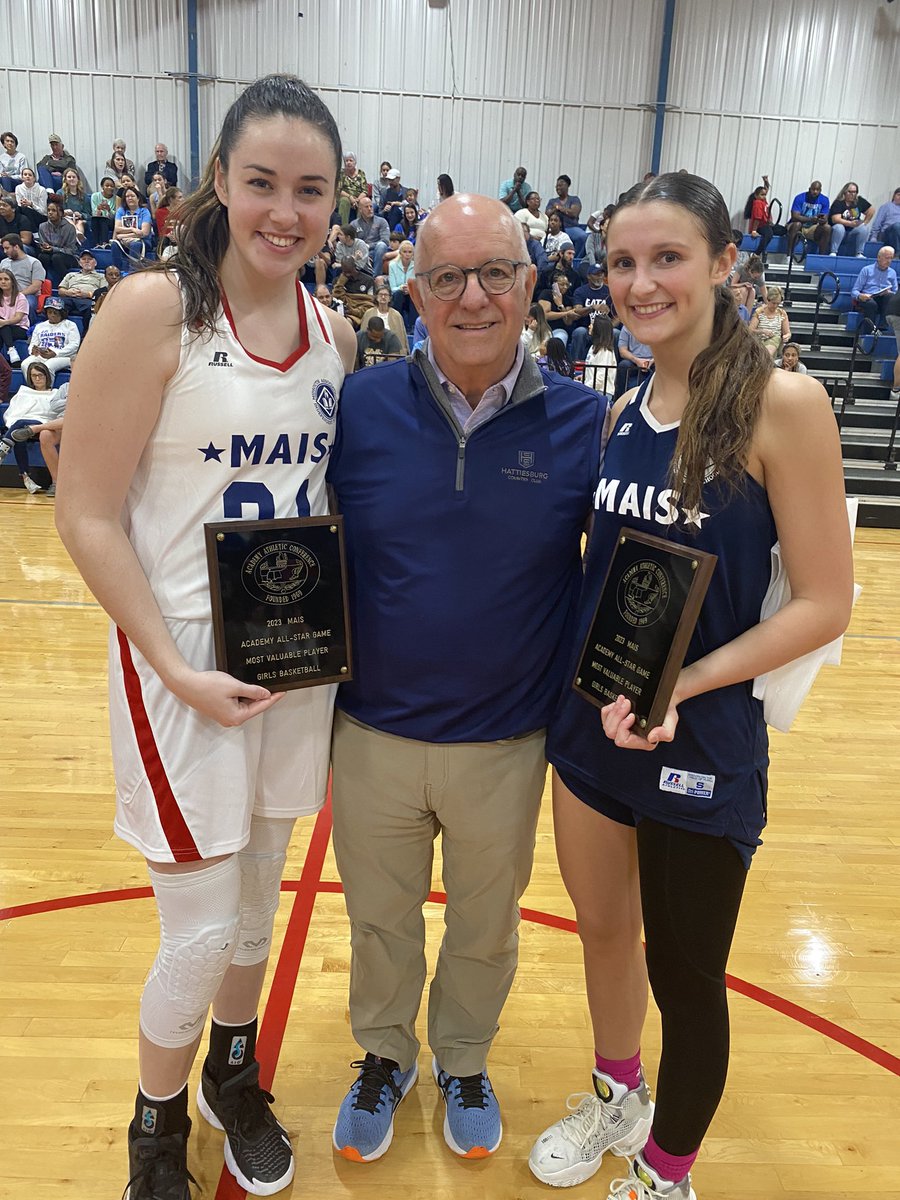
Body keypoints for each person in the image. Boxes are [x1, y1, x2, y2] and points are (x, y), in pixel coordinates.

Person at [54, 73, 355, 1200]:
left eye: (311, 189)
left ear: (338, 202)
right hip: (180, 657)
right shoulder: (152, 311)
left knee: (258, 898)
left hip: (294, 658)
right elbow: (84, 509)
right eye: (264, 181)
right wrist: (172, 665)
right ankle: (154, 1119)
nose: (286, 210)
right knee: (195, 926)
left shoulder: (335, 333)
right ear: (221, 182)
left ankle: (235, 1071)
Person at [528, 171, 852, 1200]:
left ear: (723, 263)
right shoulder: (624, 404)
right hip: (592, 726)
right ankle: (616, 1093)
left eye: (667, 257)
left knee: (686, 975)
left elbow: (827, 602)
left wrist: (689, 683)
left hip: (699, 743)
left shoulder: (782, 404)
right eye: (623, 262)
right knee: (603, 933)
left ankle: (666, 1172)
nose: (640, 282)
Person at [327, 191, 603, 1166]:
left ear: (531, 286)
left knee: (486, 925)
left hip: (506, 743)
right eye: (448, 277)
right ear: (415, 292)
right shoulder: (356, 406)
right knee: (379, 920)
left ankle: (463, 1056)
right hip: (369, 734)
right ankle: (383, 1053)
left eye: (494, 273)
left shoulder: (585, 423)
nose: (473, 296)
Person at [0, 360, 64, 492]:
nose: (37, 378)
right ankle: (26, 477)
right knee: (19, 432)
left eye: (40, 375)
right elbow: (13, 412)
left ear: (47, 376)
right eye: (34, 376)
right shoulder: (24, 392)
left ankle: (3, 448)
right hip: (22, 428)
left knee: (20, 426)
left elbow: (54, 416)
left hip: (44, 427)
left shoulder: (55, 393)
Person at [21, 296, 80, 378]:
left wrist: (55, 353)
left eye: (55, 312)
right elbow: (33, 344)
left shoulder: (70, 325)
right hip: (42, 355)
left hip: (64, 356)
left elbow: (74, 345)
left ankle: (47, 389)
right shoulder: (40, 326)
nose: (52, 315)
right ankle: (34, 389)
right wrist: (33, 350)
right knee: (25, 364)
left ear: (62, 313)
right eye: (49, 312)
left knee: (48, 366)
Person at [570, 264, 613, 361]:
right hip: (586, 328)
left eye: (601, 274)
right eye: (596, 274)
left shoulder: (610, 291)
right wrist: (592, 307)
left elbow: (618, 316)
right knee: (579, 332)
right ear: (589, 276)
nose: (600, 277)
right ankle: (576, 367)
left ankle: (614, 368)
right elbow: (577, 311)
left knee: (615, 333)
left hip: (604, 330)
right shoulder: (581, 291)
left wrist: (609, 327)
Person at [0, 232, 47, 319]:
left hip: (27, 295)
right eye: (3, 249)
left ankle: (29, 330)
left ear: (16, 247)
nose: (5, 251)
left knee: (29, 304)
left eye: (7, 248)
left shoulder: (34, 263)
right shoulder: (3, 262)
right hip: (5, 294)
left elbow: (35, 286)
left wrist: (18, 295)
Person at [36, 197, 81, 284]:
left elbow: (71, 250)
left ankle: (66, 283)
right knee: (42, 257)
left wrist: (53, 249)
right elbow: (42, 244)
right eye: (48, 210)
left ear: (60, 213)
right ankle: (41, 284)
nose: (50, 213)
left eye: (53, 210)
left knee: (56, 257)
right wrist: (44, 247)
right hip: (49, 254)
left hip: (68, 256)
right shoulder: (42, 226)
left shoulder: (70, 228)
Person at [851, 245, 897, 326]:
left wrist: (889, 292)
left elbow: (895, 292)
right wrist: (860, 296)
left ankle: (883, 327)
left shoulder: (892, 272)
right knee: (871, 304)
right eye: (887, 258)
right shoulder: (867, 270)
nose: (889, 261)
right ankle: (870, 330)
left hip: (883, 299)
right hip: (868, 297)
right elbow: (854, 291)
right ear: (879, 257)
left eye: (891, 258)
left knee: (890, 297)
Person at [58, 249, 105, 325]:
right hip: (69, 297)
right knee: (56, 305)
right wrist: (67, 292)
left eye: (89, 259)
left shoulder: (101, 276)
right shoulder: (70, 274)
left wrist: (88, 294)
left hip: (88, 299)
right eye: (83, 259)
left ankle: (86, 333)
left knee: (92, 308)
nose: (86, 261)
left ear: (95, 263)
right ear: (80, 263)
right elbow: (60, 290)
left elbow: (103, 293)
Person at [786, 180, 831, 256]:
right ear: (809, 189)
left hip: (813, 227)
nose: (815, 192)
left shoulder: (824, 200)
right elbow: (795, 216)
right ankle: (788, 255)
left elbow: (825, 217)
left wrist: (821, 220)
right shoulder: (800, 197)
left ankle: (821, 257)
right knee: (797, 224)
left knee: (827, 228)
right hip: (797, 225)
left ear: (820, 190)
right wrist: (810, 219)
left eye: (817, 190)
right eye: (813, 189)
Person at [112, 185, 154, 267]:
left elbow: (144, 233)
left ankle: (133, 271)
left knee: (135, 244)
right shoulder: (121, 211)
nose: (129, 198)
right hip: (125, 240)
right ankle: (117, 270)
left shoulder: (144, 211)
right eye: (127, 196)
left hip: (143, 241)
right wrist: (133, 229)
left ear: (138, 198)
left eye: (132, 196)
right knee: (114, 244)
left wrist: (122, 235)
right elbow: (117, 229)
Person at [829, 183, 874, 256]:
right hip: (839, 230)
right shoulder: (838, 203)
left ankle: (859, 253)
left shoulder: (859, 201)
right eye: (850, 192)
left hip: (852, 230)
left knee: (864, 228)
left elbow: (871, 210)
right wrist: (850, 223)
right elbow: (835, 219)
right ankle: (833, 251)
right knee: (839, 227)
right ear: (844, 192)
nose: (852, 194)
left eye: (854, 192)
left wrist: (865, 222)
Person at [351, 193, 390, 277]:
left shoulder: (382, 221)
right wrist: (363, 248)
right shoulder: (354, 224)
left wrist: (368, 246)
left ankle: (375, 277)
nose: (370, 209)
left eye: (371, 206)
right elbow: (352, 243)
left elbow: (385, 240)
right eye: (366, 207)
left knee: (381, 245)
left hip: (377, 251)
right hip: (361, 252)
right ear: (360, 210)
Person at [749, 284, 790, 356]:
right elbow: (750, 330)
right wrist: (762, 331)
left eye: (778, 303)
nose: (775, 306)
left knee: (774, 341)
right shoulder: (759, 312)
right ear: (768, 300)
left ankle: (766, 356)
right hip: (759, 340)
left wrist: (786, 336)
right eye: (773, 303)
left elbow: (787, 333)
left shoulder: (782, 313)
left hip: (774, 340)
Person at [582, 313, 617, 392]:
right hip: (591, 389)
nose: (589, 326)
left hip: (601, 392)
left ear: (598, 328)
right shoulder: (592, 347)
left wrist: (584, 387)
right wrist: (583, 378)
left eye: (592, 324)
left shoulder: (605, 352)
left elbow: (600, 378)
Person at [0, 266, 30, 359]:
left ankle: (11, 349)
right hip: (3, 327)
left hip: (20, 328)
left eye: (6, 279)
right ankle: (11, 354)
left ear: (12, 282)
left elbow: (18, 318)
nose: (3, 281)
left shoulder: (20, 297)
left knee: (3, 327)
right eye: (0, 279)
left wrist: (4, 322)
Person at [743, 176, 772, 260]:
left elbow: (765, 189)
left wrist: (766, 182)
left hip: (766, 224)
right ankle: (756, 253)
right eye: (762, 195)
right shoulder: (758, 203)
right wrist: (754, 231)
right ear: (756, 195)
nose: (764, 196)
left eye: (765, 195)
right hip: (759, 226)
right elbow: (757, 218)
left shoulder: (763, 201)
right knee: (769, 234)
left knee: (781, 230)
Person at [337, 152, 367, 225]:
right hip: (345, 196)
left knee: (362, 202)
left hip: (358, 197)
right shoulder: (341, 173)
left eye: (350, 160)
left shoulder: (361, 173)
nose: (348, 163)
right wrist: (350, 197)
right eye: (346, 161)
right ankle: (343, 229)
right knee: (345, 201)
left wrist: (357, 200)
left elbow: (365, 191)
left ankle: (359, 229)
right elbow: (339, 190)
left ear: (355, 162)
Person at [90, 177, 119, 246]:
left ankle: (104, 243)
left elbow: (117, 214)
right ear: (102, 186)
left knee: (104, 220)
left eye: (112, 186)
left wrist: (109, 210)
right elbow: (93, 211)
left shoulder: (116, 198)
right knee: (95, 219)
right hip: (98, 219)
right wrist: (98, 210)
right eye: (107, 186)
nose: (109, 188)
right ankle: (96, 244)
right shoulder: (95, 196)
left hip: (112, 221)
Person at [871, 187, 900, 254]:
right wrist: (874, 236)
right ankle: (897, 253)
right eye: (898, 195)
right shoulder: (887, 206)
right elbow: (877, 222)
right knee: (897, 226)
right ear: (894, 196)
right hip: (887, 233)